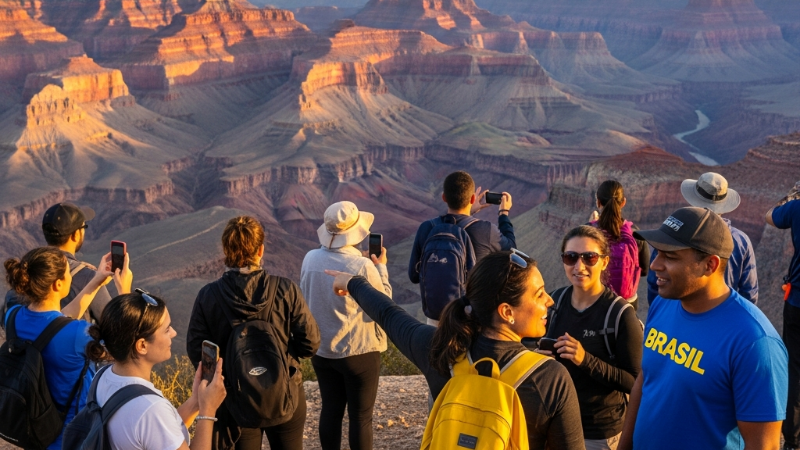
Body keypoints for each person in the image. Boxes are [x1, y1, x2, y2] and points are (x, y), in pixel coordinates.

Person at [328, 250, 585, 450]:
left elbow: (389, 314)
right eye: (540, 295)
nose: (550, 301)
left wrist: (353, 283)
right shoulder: (550, 378)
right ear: (507, 312)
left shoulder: (440, 347)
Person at [619, 207, 788, 450]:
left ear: (709, 264)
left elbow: (763, 445)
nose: (655, 265)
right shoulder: (664, 304)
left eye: (670, 256)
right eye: (658, 253)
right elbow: (645, 381)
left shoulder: (754, 343)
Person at [186, 216, 320, 450]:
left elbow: (197, 351)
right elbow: (311, 343)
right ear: (261, 250)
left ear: (226, 251)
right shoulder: (286, 289)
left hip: (236, 401)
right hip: (285, 391)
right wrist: (283, 354)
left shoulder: (208, 296)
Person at [3, 246, 131, 450]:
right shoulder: (80, 334)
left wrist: (96, 281)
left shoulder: (13, 317)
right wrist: (124, 292)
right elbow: (124, 347)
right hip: (74, 439)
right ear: (58, 284)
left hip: (36, 431)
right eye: (67, 272)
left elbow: (57, 322)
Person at [299, 201, 392, 450]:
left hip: (322, 350)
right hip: (358, 353)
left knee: (330, 410)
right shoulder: (363, 266)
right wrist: (381, 267)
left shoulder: (310, 259)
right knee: (360, 418)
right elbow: (382, 306)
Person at [85, 291, 227, 450]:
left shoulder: (102, 376)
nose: (174, 333)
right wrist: (208, 410)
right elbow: (152, 420)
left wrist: (196, 401)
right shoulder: (151, 408)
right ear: (142, 346)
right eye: (166, 330)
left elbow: (158, 432)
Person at [543, 226, 642, 450]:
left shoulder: (620, 314)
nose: (580, 266)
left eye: (590, 258)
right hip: (556, 423)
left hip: (598, 432)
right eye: (571, 257)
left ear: (604, 262)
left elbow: (634, 382)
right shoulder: (555, 301)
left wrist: (585, 359)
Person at [409, 171, 516, 325]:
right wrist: (503, 213)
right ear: (472, 199)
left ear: (444, 198)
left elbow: (414, 275)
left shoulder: (427, 228)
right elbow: (511, 249)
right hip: (470, 321)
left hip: (436, 320)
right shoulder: (486, 230)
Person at [646, 173, 758, 304]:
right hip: (723, 316)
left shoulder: (674, 234)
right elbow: (749, 292)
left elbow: (655, 282)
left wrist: (658, 314)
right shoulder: (742, 241)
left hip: (677, 315)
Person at [3, 202, 112, 325]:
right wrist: (123, 286)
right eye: (83, 227)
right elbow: (116, 327)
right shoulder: (89, 277)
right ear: (76, 234)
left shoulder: (24, 270)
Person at [766, 180, 800, 449]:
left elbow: (770, 216)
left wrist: (790, 197)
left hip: (798, 303)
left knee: (795, 371)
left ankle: (792, 440)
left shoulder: (797, 208)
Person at [590, 180, 648, 310]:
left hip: (596, 299)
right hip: (628, 302)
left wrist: (590, 225)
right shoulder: (635, 233)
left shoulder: (588, 232)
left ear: (598, 202)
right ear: (623, 202)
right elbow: (644, 270)